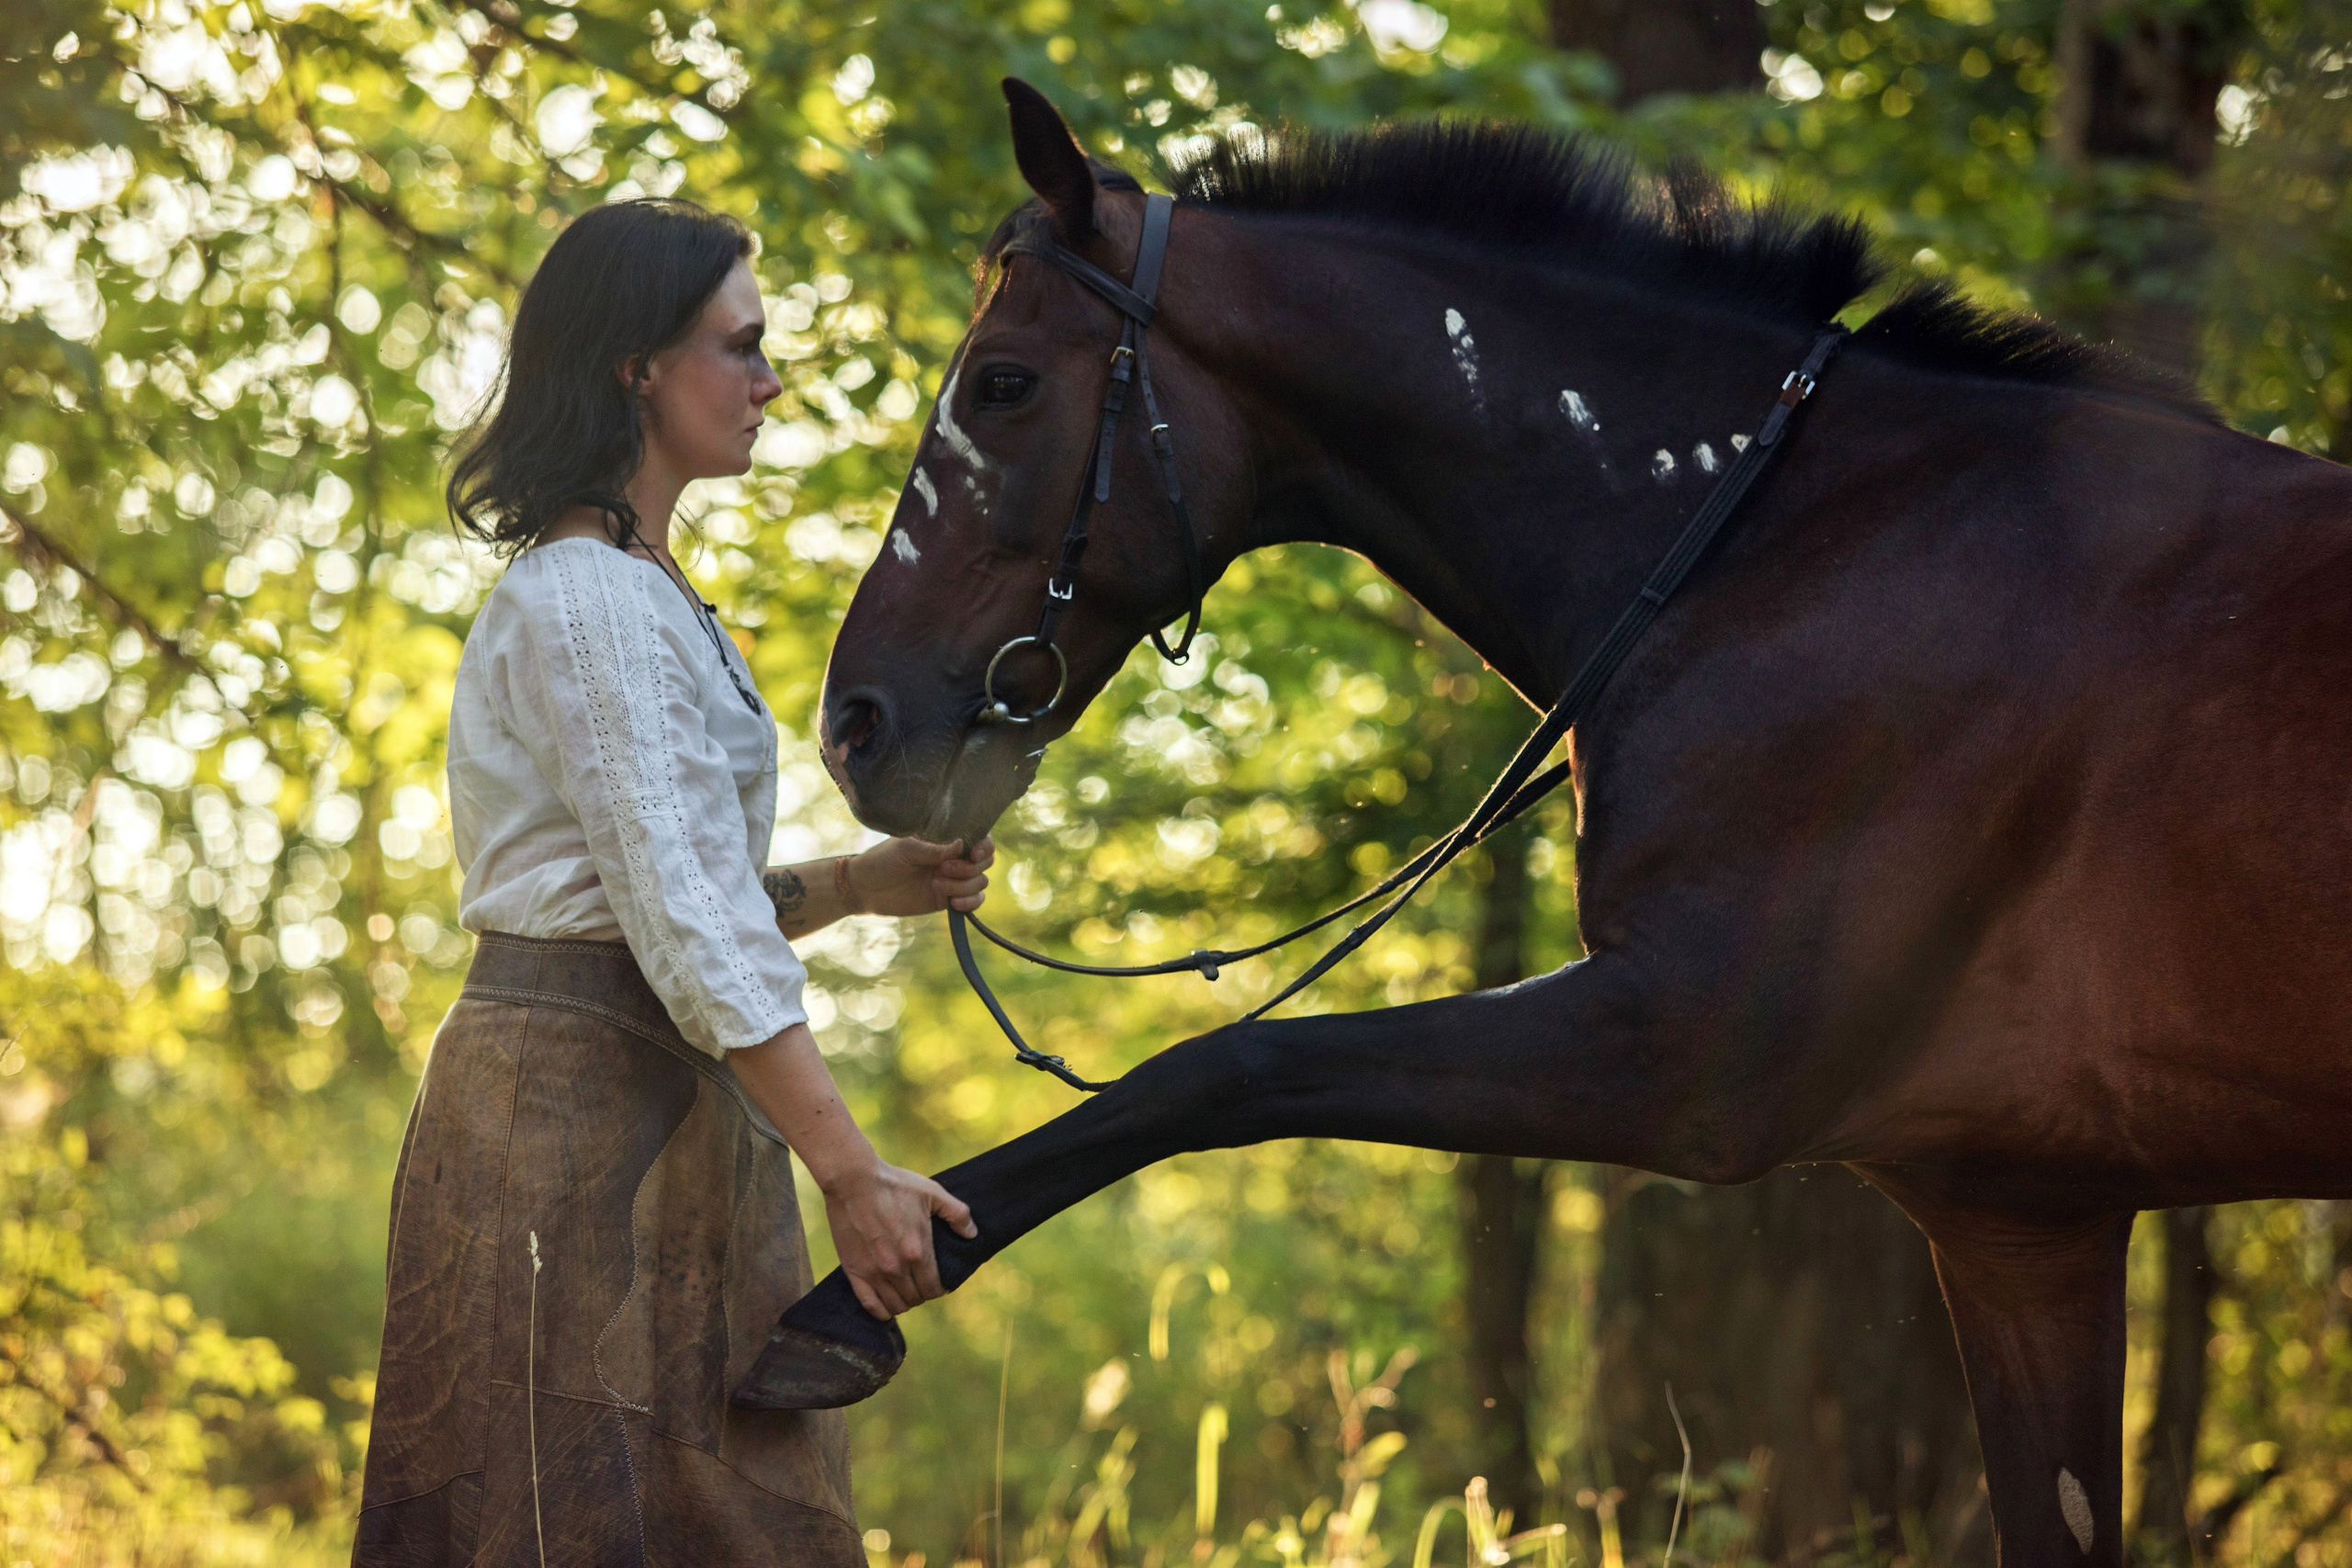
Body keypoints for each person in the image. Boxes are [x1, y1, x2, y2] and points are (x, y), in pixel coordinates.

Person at [353, 198, 981, 1566]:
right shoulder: (587, 599)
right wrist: (853, 1172)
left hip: (671, 1119)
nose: (769, 381)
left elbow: (673, 888)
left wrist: (862, 883)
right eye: (741, 346)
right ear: (639, 364)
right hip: (562, 1132)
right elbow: (683, 921)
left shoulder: (647, 592)